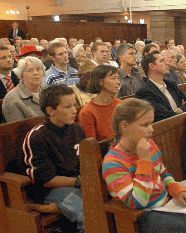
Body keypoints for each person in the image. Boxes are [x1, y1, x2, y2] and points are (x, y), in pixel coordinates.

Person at [102, 99, 186, 233]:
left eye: (151, 123)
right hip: (144, 215)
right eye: (145, 125)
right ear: (124, 126)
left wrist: (176, 189)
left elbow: (163, 173)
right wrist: (144, 161)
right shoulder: (113, 163)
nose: (151, 129)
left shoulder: (149, 145)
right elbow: (138, 202)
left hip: (167, 203)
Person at [21, 84, 85, 232]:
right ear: (50, 111)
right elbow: (45, 179)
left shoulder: (76, 129)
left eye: (74, 105)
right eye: (67, 107)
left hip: (76, 182)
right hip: (50, 190)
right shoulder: (37, 137)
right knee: (88, 213)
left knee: (109, 202)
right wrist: (80, 181)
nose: (74, 110)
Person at [135, 52, 186, 122]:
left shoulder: (171, 84)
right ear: (152, 66)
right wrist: (182, 108)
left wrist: (179, 110)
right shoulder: (144, 91)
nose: (167, 63)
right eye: (161, 61)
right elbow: (163, 115)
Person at [78, 65, 122, 141]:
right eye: (113, 78)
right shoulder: (87, 112)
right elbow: (92, 146)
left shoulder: (121, 104)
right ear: (100, 81)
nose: (118, 82)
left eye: (117, 78)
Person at [3, 56, 45, 122]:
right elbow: (18, 130)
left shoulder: (49, 90)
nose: (35, 73)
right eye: (30, 70)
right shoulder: (12, 99)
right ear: (21, 75)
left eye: (38, 69)